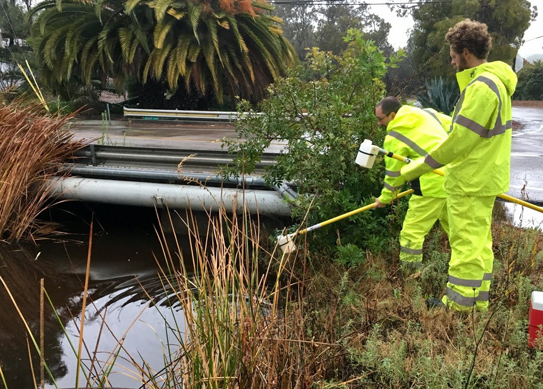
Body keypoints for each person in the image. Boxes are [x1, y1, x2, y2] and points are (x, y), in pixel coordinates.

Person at [399, 19, 517, 312]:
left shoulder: (481, 88)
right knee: (479, 242)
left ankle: (457, 308)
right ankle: (478, 302)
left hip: (470, 178)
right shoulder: (496, 82)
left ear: (465, 52)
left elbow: (459, 141)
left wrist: (419, 166)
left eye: (453, 55)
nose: (451, 61)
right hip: (485, 176)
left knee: (465, 245)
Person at [374, 97, 451, 270]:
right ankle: (467, 268)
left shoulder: (395, 136)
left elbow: (395, 175)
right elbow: (456, 129)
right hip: (454, 179)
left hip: (431, 185)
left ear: (392, 115)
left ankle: (409, 274)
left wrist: (385, 198)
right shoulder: (428, 113)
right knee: (455, 228)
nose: (379, 123)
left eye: (380, 119)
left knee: (412, 232)